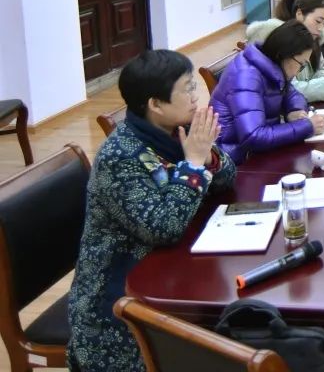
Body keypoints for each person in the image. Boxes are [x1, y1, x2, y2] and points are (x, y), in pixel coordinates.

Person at [68, 50, 236, 372]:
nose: (196, 95)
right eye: (187, 88)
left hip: (170, 271)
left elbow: (227, 178)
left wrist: (208, 158)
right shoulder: (120, 157)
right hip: (119, 304)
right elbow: (162, 227)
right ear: (155, 104)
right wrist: (194, 165)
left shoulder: (177, 129)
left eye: (193, 85)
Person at [210, 20, 324, 163]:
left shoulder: (273, 65)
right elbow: (253, 136)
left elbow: (292, 94)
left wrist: (294, 110)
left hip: (260, 152)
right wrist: (307, 127)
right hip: (236, 160)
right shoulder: (246, 76)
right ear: (285, 54)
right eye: (301, 65)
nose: (298, 72)